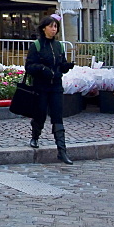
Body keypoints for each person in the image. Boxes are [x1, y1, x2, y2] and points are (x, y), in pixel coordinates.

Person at [24, 16, 75, 164]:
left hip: (56, 86)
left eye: (56, 27)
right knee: (40, 114)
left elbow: (61, 65)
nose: (54, 29)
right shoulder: (37, 46)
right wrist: (42, 68)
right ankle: (35, 136)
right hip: (41, 86)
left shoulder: (59, 46)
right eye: (51, 26)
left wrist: (65, 66)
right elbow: (29, 67)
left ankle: (62, 150)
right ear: (44, 28)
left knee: (57, 117)